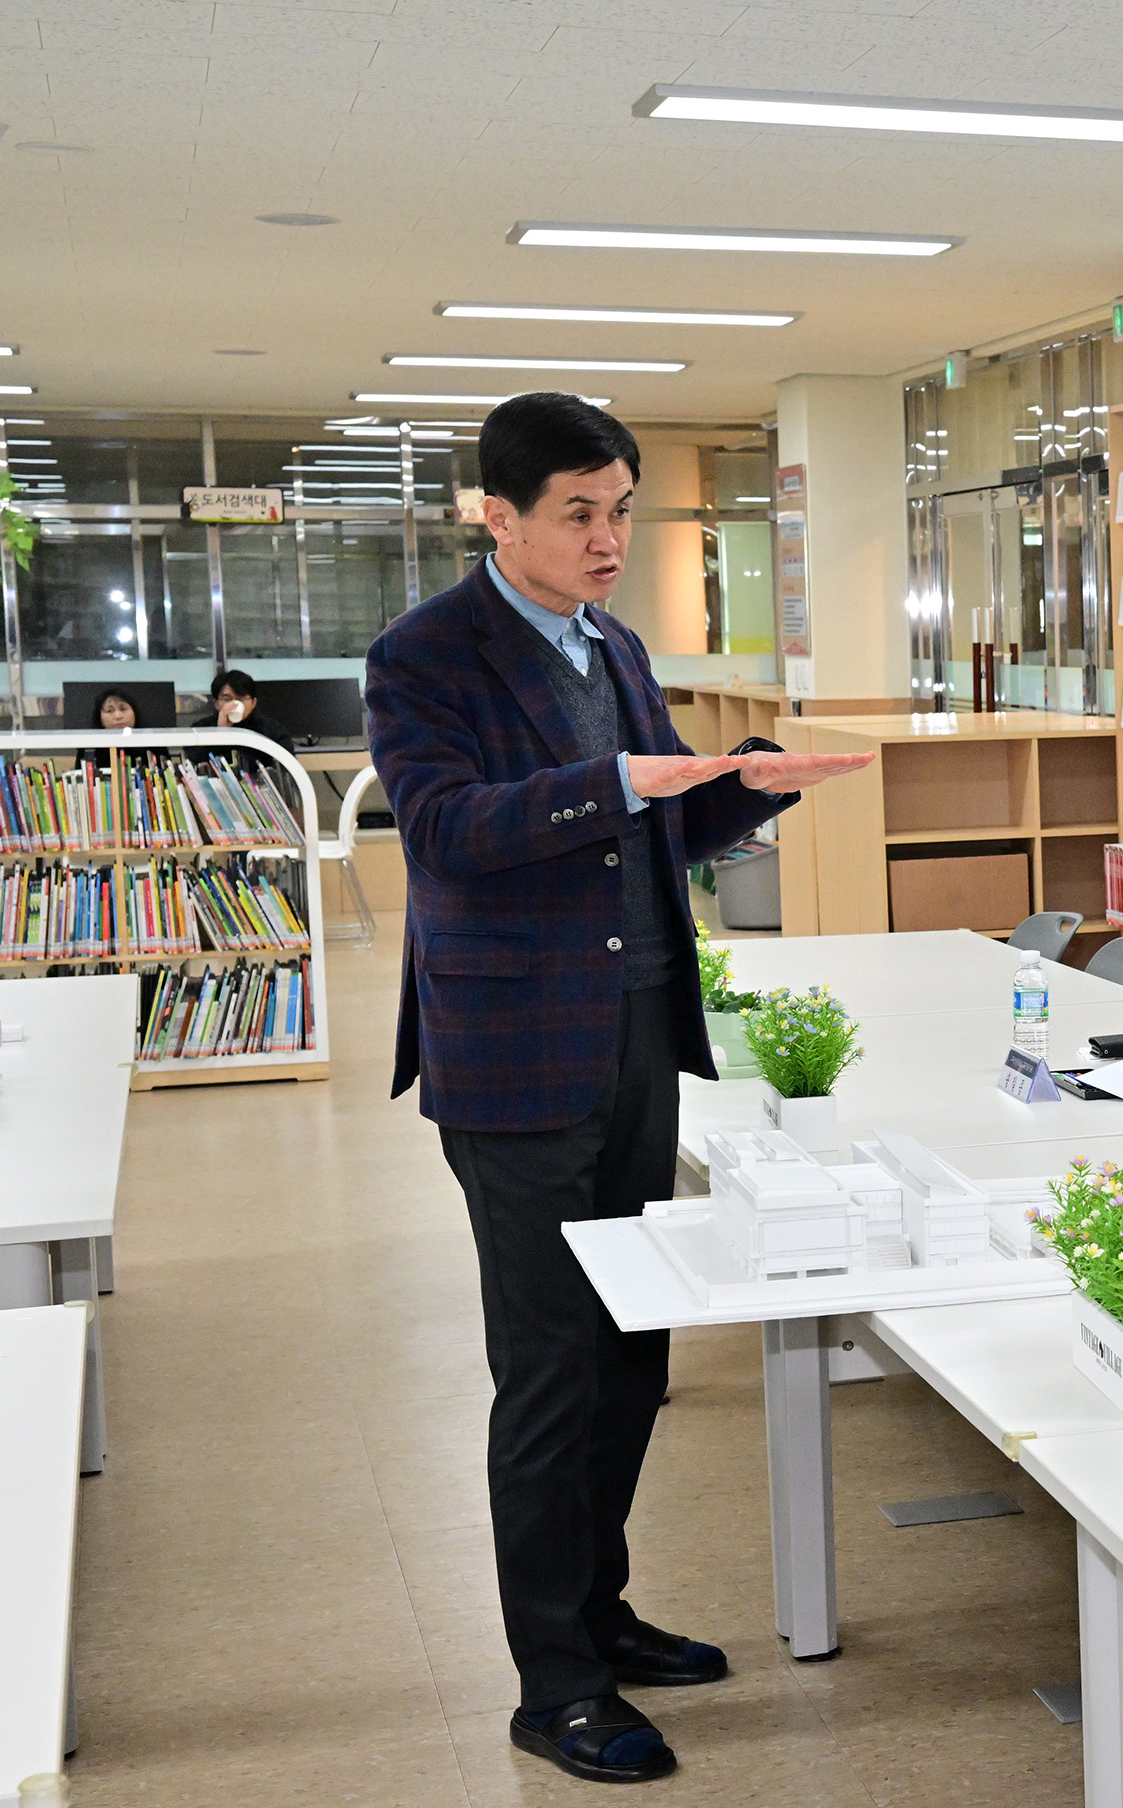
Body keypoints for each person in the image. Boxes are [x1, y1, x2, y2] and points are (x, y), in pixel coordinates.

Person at [365, 392, 875, 1783]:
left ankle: (601, 1610)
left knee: (635, 1350)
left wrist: (758, 783)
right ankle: (555, 1681)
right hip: (516, 1057)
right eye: (580, 514)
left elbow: (666, 821)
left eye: (622, 511)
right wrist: (617, 779)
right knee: (548, 1372)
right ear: (501, 516)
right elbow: (446, 831)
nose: (607, 540)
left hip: (641, 1033)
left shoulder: (616, 643)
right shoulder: (427, 654)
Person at [207, 669, 295, 747]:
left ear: (253, 702)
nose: (234, 704)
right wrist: (220, 732)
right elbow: (195, 758)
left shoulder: (272, 730)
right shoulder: (202, 730)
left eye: (241, 699)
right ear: (216, 703)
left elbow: (286, 761)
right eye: (227, 699)